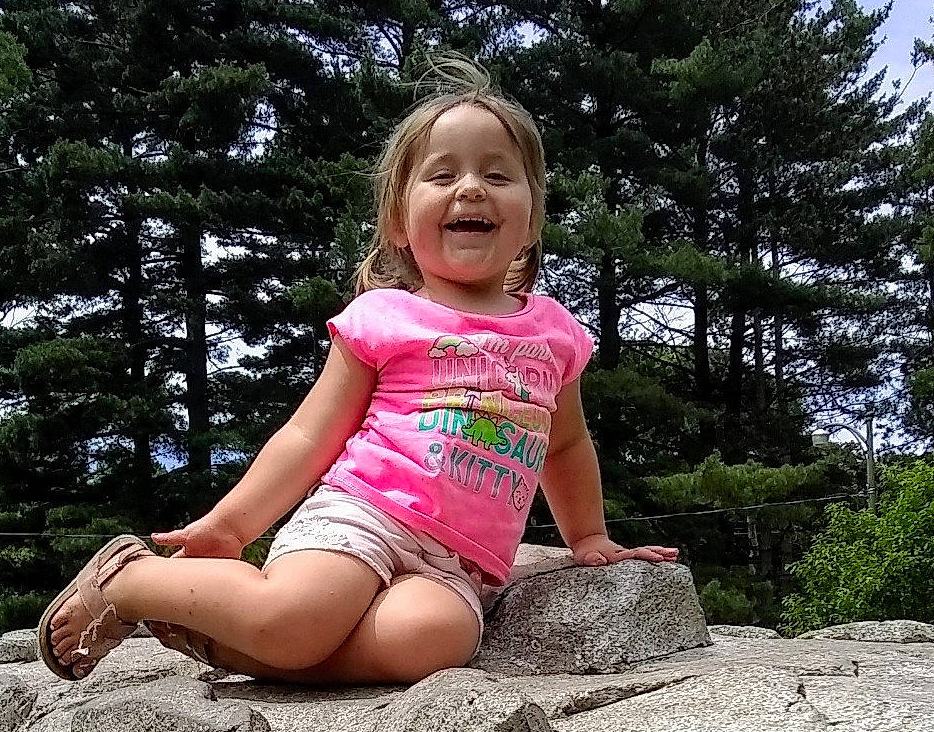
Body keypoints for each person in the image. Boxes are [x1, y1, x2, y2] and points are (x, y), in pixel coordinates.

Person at [39, 58, 677, 685]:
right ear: (400, 220)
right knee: (297, 616)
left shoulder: (553, 334)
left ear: (533, 214)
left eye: (498, 174)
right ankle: (133, 579)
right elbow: (309, 435)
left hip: (459, 564)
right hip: (364, 512)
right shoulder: (387, 316)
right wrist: (231, 525)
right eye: (443, 175)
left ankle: (237, 647)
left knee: (433, 642)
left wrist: (588, 535)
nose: (471, 188)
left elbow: (564, 443)